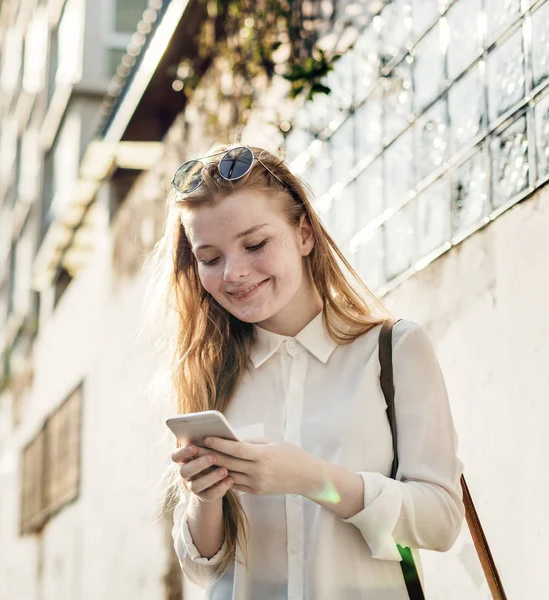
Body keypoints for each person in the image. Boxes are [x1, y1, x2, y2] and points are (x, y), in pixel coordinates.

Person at [156, 144, 464, 599]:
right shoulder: (207, 373)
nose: (234, 274)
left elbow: (440, 522)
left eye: (255, 244)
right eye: (210, 258)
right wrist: (205, 499)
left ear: (304, 233)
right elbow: (206, 568)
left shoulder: (394, 350)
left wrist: (312, 479)